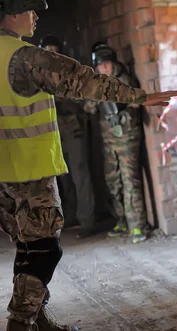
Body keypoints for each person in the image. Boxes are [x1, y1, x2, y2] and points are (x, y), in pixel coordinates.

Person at [0, 0, 177, 331]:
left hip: (3, 177)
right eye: (31, 9)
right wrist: (139, 96)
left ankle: (41, 326)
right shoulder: (22, 56)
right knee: (43, 251)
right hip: (27, 171)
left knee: (26, 249)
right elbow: (81, 80)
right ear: (12, 14)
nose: (36, 16)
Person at [85, 43, 148, 244]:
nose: (104, 69)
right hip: (109, 140)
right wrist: (94, 98)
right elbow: (88, 107)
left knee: (130, 181)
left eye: (107, 65)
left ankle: (137, 225)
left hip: (127, 138)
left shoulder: (125, 80)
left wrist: (123, 113)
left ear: (114, 64)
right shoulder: (97, 83)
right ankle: (121, 220)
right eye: (100, 66)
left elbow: (137, 102)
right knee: (113, 182)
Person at [40, 34, 99, 239]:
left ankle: (87, 221)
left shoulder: (71, 74)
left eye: (55, 51)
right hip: (52, 134)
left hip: (73, 131)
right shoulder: (38, 76)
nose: (52, 55)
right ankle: (72, 215)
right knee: (63, 178)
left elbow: (87, 101)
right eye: (48, 51)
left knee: (80, 174)